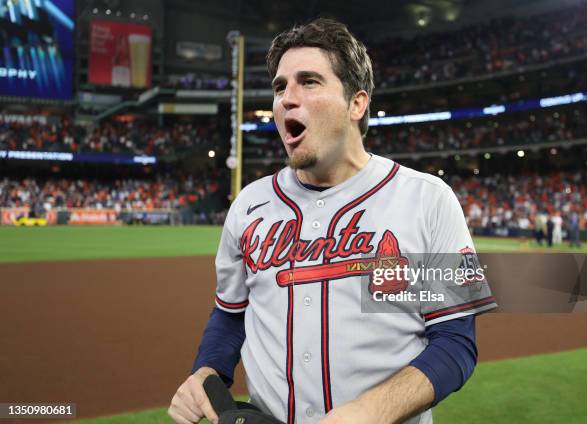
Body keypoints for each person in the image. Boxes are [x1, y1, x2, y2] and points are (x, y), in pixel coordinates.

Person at [169, 18, 496, 424]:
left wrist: (370, 411)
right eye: (279, 86)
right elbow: (232, 312)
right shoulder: (250, 204)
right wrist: (207, 371)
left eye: (308, 82)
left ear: (356, 103)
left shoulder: (426, 199)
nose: (287, 98)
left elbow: (455, 344)